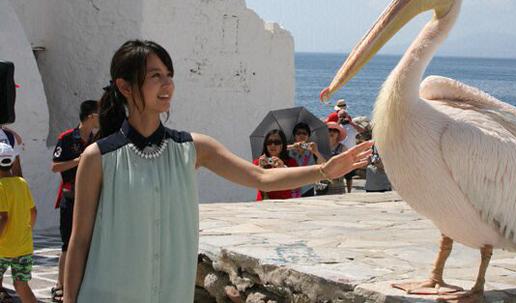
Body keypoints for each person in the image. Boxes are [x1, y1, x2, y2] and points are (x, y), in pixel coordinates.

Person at [63, 40, 372, 303]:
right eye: (155, 75)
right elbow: (79, 241)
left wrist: (324, 169)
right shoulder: (99, 158)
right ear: (125, 86)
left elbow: (261, 177)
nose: (167, 84)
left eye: (169, 75)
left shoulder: (193, 148)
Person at [50, 100, 98, 302]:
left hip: (92, 196)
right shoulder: (67, 138)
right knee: (67, 243)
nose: (100, 118)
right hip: (71, 197)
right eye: (98, 114)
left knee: (89, 243)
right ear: (90, 116)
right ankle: (60, 285)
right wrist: (79, 161)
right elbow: (55, 166)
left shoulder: (98, 139)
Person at [0, 143, 36, 303]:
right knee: (21, 285)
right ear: (12, 162)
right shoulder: (22, 183)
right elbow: (33, 212)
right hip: (24, 246)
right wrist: (27, 231)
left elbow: (3, 218)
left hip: (3, 247)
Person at [253, 129, 299, 200]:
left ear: (282, 145)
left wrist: (283, 168)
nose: (273, 145)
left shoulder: (291, 162)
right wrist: (260, 168)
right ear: (266, 145)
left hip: (285, 203)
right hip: (263, 204)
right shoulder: (258, 162)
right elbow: (251, 181)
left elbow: (296, 184)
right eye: (269, 142)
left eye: (277, 142)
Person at [287, 122, 326, 197]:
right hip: (291, 186)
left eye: (304, 133)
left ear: (308, 136)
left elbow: (324, 164)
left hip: (308, 187)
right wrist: (292, 147)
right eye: (298, 133)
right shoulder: (289, 150)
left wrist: (316, 152)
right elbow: (278, 151)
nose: (301, 135)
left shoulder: (312, 150)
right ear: (294, 136)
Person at [317, 122, 348, 195]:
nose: (332, 132)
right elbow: (317, 164)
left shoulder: (343, 148)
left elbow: (346, 164)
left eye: (335, 130)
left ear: (338, 134)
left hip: (337, 182)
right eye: (329, 130)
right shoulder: (320, 147)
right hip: (322, 182)